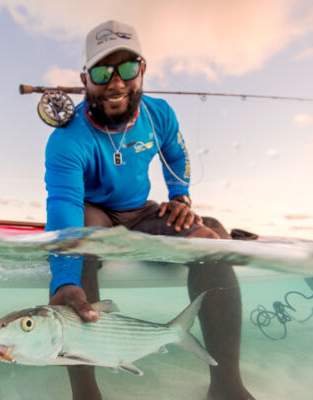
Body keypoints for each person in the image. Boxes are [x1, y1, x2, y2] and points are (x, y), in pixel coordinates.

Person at [44, 20, 255, 400]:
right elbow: (65, 205)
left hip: (142, 211)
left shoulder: (159, 114)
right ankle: (86, 393)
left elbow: (177, 154)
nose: (117, 82)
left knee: (211, 238)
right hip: (92, 211)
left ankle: (227, 386)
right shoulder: (66, 138)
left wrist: (180, 198)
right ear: (84, 78)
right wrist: (63, 278)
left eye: (127, 68)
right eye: (102, 70)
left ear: (142, 70)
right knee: (85, 239)